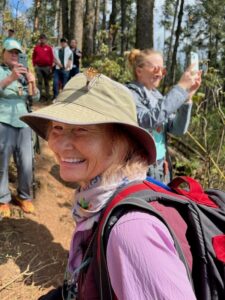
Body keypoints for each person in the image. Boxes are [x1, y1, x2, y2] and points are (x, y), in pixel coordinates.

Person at [21, 72, 196, 299]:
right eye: (57, 128)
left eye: (81, 129)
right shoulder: (95, 201)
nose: (61, 144)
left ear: (121, 142)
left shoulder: (131, 230)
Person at [126, 49, 202, 183]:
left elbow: (178, 129)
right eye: (156, 69)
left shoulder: (157, 96)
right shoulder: (129, 93)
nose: (160, 74)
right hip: (138, 170)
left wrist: (188, 97)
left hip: (161, 168)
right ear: (139, 70)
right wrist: (180, 87)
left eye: (163, 70)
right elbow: (148, 120)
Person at [0, 39, 40, 218]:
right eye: (11, 52)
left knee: (26, 162)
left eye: (17, 53)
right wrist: (10, 78)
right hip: (3, 119)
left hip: (24, 121)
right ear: (3, 54)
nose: (14, 55)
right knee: (2, 162)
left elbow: (36, 98)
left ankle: (24, 196)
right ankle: (3, 199)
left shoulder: (25, 72)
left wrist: (32, 82)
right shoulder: (2, 71)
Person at [32, 33, 54, 101]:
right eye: (41, 38)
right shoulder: (36, 48)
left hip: (47, 67)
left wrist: (50, 67)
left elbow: (51, 57)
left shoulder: (49, 48)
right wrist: (34, 65)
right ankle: (40, 96)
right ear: (39, 39)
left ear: (46, 40)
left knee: (47, 82)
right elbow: (33, 57)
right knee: (39, 82)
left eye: (43, 38)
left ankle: (48, 96)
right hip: (38, 67)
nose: (42, 40)